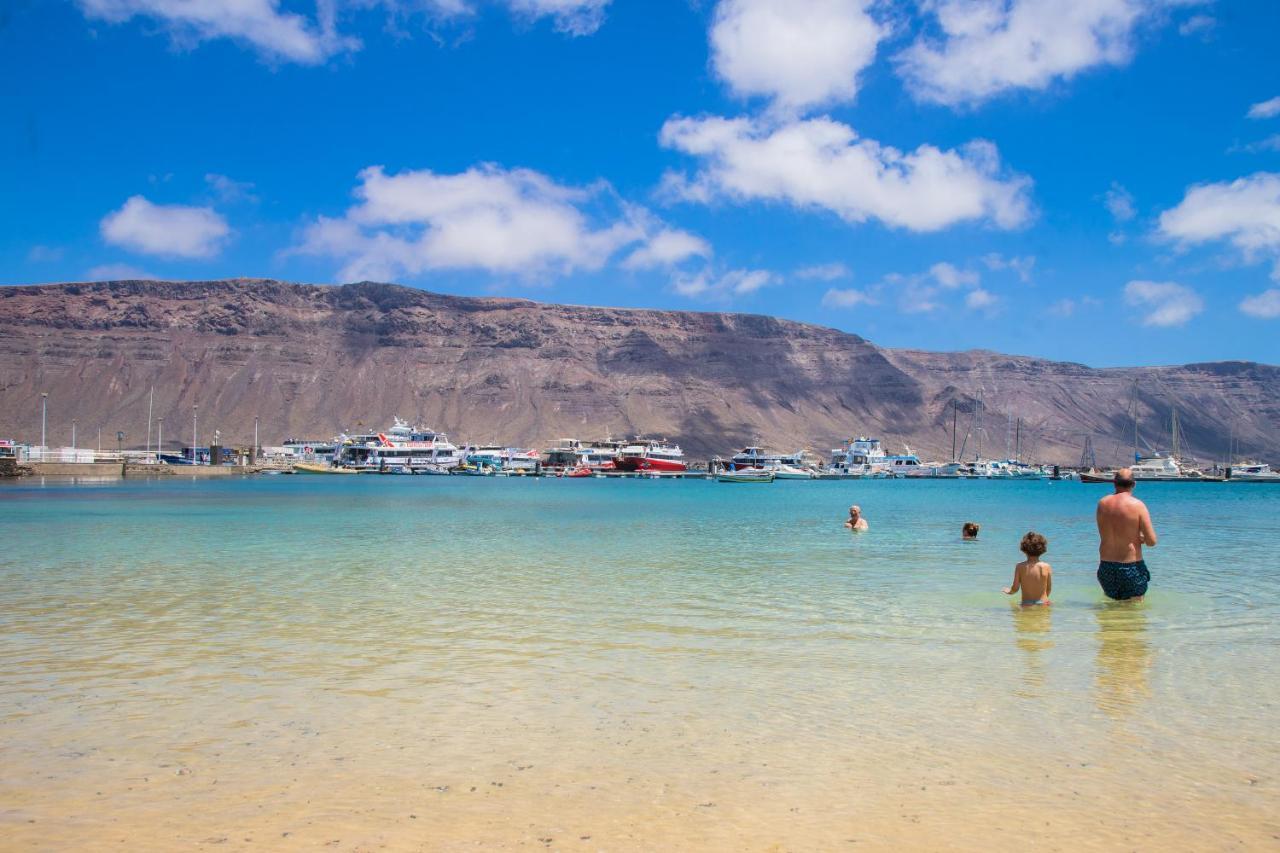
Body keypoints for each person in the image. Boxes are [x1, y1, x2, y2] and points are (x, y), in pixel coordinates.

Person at [1095, 468, 1157, 601]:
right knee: (1134, 613)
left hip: (1106, 566)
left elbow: (1111, 529)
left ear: (1114, 483)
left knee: (1111, 610)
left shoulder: (1102, 503)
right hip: (1130, 567)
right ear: (1134, 484)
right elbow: (1151, 541)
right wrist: (1141, 538)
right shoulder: (1137, 505)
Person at [1004, 531, 1052, 606]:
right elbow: (1048, 589)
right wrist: (1042, 602)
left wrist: (1009, 591)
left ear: (1024, 550)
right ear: (1042, 549)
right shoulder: (1046, 566)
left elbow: (1015, 588)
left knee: (1023, 617)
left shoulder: (1020, 566)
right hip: (1044, 603)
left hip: (1027, 603)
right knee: (1043, 618)